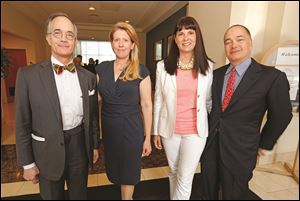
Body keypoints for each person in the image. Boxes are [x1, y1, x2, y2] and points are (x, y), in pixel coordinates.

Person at [199, 24, 293, 200]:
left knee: (234, 194)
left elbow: (282, 115)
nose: (233, 45)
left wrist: (264, 142)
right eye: (228, 41)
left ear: (250, 43)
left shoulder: (271, 77)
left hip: (240, 150)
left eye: (239, 39)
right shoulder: (216, 75)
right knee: (207, 191)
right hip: (210, 147)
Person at [15, 13, 100, 200]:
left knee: (79, 195)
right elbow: (22, 123)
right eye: (57, 33)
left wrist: (94, 145)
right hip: (46, 151)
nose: (64, 39)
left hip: (79, 146)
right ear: (48, 38)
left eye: (69, 35)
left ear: (75, 41)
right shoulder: (28, 76)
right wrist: (27, 163)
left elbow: (93, 117)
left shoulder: (88, 77)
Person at [153, 16, 214, 200]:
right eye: (180, 33)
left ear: (197, 37)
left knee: (185, 177)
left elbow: (209, 101)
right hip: (169, 130)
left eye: (190, 32)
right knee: (173, 171)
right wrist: (156, 130)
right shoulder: (162, 66)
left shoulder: (208, 67)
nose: (185, 37)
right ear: (175, 38)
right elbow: (158, 100)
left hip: (195, 132)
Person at [95, 22, 152, 200]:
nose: (120, 44)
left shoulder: (141, 70)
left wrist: (147, 137)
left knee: (128, 172)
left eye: (125, 40)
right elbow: (94, 101)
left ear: (132, 44)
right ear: (112, 43)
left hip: (131, 129)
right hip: (110, 131)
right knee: (116, 170)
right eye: (117, 40)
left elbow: (147, 105)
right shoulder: (102, 69)